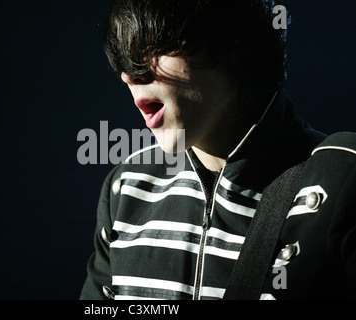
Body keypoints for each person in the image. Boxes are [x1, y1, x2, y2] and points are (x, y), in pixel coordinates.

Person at [80, 0, 356, 300]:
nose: (130, 75)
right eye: (125, 55)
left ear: (233, 45)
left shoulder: (340, 180)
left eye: (156, 45)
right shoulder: (126, 188)